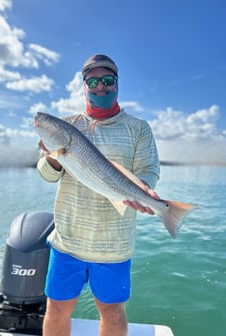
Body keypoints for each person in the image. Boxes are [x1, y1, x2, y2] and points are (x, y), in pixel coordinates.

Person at [37, 54, 160, 336]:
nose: (100, 87)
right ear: (84, 86)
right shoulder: (65, 126)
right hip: (68, 240)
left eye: (107, 80)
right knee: (56, 309)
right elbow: (46, 174)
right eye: (93, 81)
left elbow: (149, 169)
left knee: (113, 314)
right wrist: (55, 159)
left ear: (117, 83)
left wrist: (143, 189)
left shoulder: (138, 127)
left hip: (114, 244)